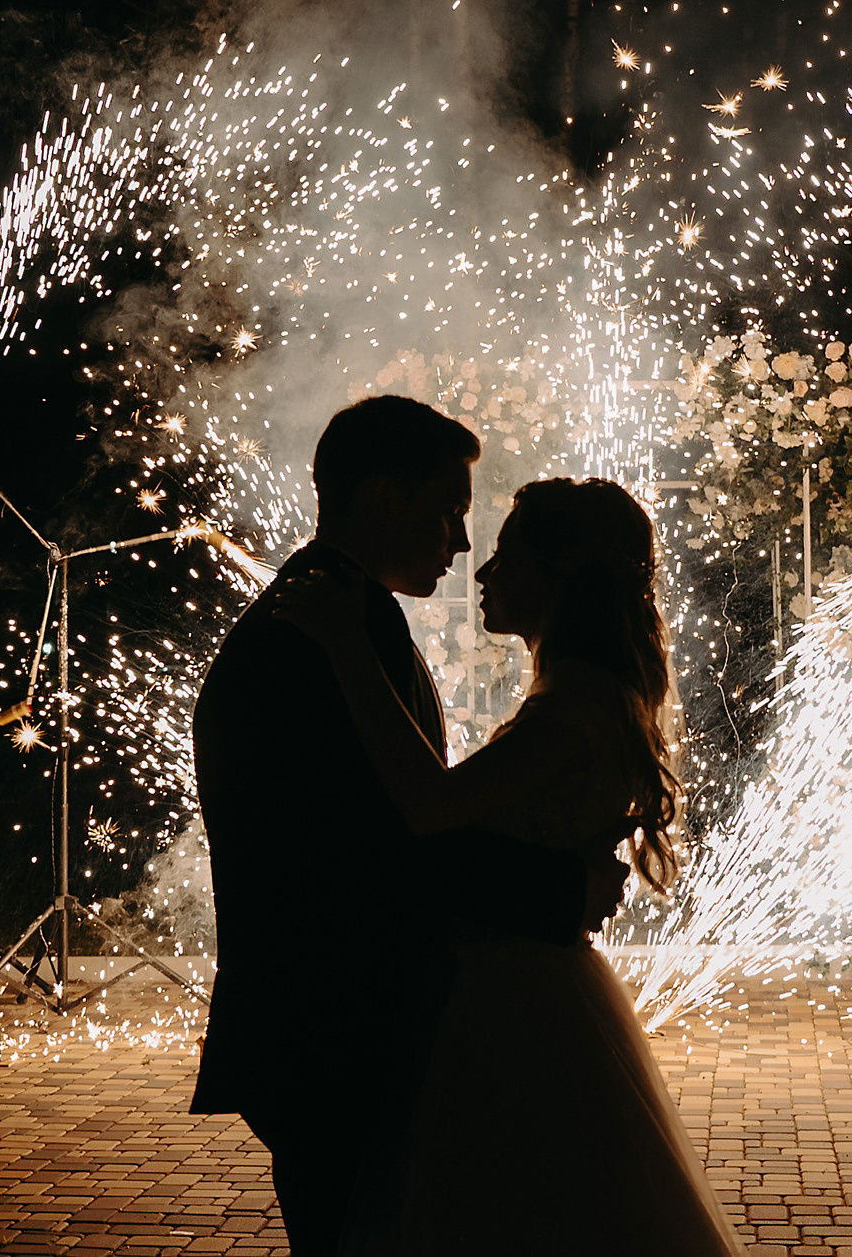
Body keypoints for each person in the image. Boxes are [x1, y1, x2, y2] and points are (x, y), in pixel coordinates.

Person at [189, 398, 626, 1254]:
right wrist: (561, 887)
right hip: (332, 1021)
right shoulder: (318, 632)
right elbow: (385, 847)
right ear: (385, 496)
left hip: (330, 1016)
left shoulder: (344, 616)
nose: (461, 545)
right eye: (448, 511)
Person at [275, 476, 746, 1256]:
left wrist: (347, 647)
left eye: (507, 557)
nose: (482, 573)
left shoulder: (573, 709)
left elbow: (430, 808)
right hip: (531, 984)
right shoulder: (589, 694)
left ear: (562, 577)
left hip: (511, 1000)